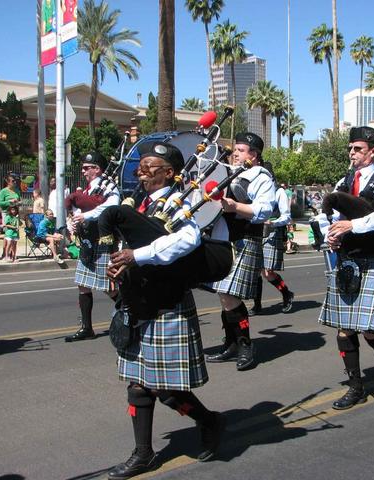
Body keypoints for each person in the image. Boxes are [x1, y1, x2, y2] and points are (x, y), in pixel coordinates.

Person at [102, 142, 225, 479]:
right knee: (138, 384)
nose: (141, 170)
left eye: (149, 165)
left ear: (169, 172)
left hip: (166, 300)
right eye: (140, 164)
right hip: (137, 298)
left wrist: (136, 257)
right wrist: (117, 264)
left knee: (165, 389)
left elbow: (188, 241)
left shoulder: (182, 202)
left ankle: (209, 420)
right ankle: (143, 453)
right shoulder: (137, 202)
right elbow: (126, 240)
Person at [319, 126, 374, 409]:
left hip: (373, 256)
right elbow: (327, 214)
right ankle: (355, 386)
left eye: (357, 149)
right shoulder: (344, 181)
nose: (352, 153)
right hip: (347, 258)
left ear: (373, 151)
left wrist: (353, 225)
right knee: (344, 329)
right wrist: (330, 235)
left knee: (369, 330)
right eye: (350, 148)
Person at [206, 132, 276, 371]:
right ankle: (231, 343)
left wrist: (234, 206)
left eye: (241, 150)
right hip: (222, 238)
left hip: (245, 238)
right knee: (223, 294)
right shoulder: (225, 171)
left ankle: (245, 344)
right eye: (235, 149)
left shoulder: (261, 177)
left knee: (228, 294)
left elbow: (265, 210)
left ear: (254, 155)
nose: (235, 153)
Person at [64, 152, 120, 342]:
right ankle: (86, 328)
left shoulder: (109, 187)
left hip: (102, 242)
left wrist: (86, 216)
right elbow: (78, 210)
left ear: (97, 169)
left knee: (109, 287)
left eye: (87, 167)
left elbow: (112, 207)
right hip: (88, 242)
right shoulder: (87, 190)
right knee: (83, 284)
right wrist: (74, 223)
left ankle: (132, 313)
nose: (83, 170)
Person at [250, 179, 294, 316]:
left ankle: (286, 293)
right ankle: (257, 305)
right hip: (255, 232)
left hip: (272, 232)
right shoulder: (253, 190)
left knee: (268, 273)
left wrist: (273, 222)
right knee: (255, 271)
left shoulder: (279, 191)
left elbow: (286, 216)